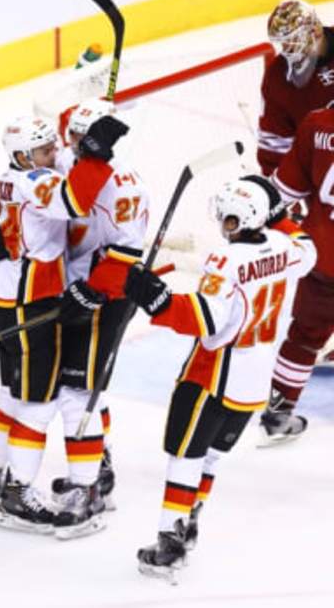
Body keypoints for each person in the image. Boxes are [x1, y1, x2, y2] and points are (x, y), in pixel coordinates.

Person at [124, 177, 316, 582]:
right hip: (255, 380)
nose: (222, 225)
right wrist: (277, 212)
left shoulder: (225, 260)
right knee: (209, 457)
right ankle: (190, 522)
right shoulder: (287, 248)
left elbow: (204, 319)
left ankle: (170, 542)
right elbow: (308, 248)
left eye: (227, 218)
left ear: (236, 220)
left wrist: (157, 299)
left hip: (213, 375)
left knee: (185, 457)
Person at [0, 113, 129, 539]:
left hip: (5, 299)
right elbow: (76, 200)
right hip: (30, 305)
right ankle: (18, 495)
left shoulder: (12, 176)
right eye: (43, 150)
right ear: (23, 155)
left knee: (10, 396)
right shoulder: (33, 180)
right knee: (38, 404)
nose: (52, 154)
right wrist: (95, 157)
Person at [51, 97, 149, 512]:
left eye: (77, 136)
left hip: (103, 297)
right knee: (87, 387)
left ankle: (85, 490)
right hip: (77, 289)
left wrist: (93, 291)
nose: (67, 142)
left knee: (77, 390)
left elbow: (128, 252)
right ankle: (98, 463)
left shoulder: (124, 185)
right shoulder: (74, 164)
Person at [259, 108, 334, 442]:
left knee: (304, 336)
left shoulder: (318, 122)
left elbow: (284, 192)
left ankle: (278, 413)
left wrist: (257, 196)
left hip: (322, 257)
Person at [257, 0, 334, 177]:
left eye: (294, 39)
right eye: (283, 42)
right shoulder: (277, 77)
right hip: (321, 180)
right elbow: (275, 143)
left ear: (315, 31)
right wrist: (278, 192)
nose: (286, 48)